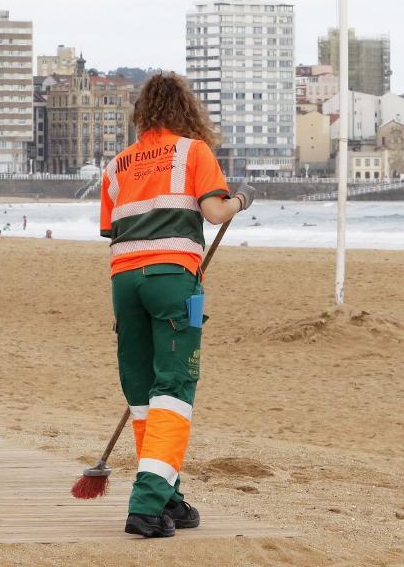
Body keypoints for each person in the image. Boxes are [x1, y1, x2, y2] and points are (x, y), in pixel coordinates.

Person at [100, 72, 254, 538]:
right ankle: (146, 506)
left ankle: (169, 496)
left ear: (143, 112)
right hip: (173, 280)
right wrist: (242, 200)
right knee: (174, 387)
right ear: (186, 109)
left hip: (125, 282)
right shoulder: (193, 151)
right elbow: (214, 212)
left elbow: (115, 231)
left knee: (143, 391)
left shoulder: (118, 164)